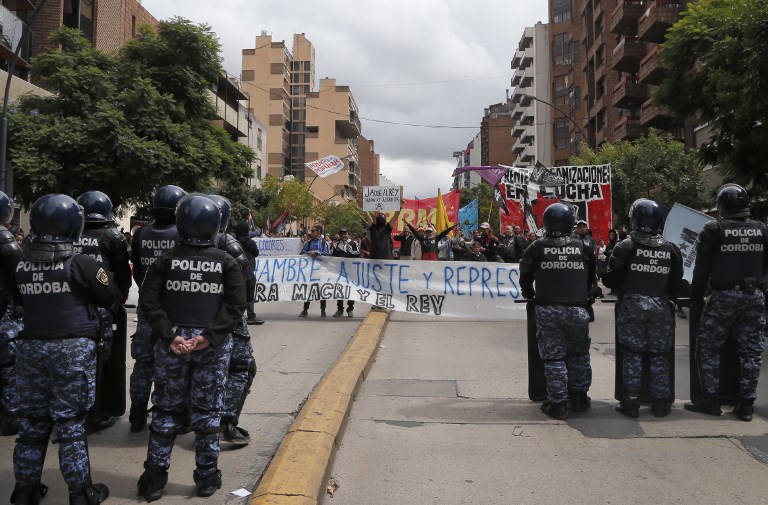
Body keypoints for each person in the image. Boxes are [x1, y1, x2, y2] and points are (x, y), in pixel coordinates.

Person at [11, 194, 119, 505]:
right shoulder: (81, 262)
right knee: (70, 424)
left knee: (33, 423)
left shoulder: (21, 263)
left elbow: (19, 301)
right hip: (71, 349)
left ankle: (24, 491)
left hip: (31, 347)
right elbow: (107, 295)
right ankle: (81, 493)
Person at [136, 195, 246, 501]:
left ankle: (154, 479)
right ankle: (207, 478)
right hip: (209, 346)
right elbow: (237, 306)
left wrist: (170, 336)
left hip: (173, 344)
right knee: (208, 413)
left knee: (166, 411)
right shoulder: (226, 262)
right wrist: (209, 337)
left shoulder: (165, 261)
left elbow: (148, 302)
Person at [685, 184, 768, 422]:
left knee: (708, 346)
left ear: (721, 206)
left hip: (723, 297)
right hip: (754, 296)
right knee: (751, 352)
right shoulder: (761, 229)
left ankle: (710, 401)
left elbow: (701, 269)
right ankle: (746, 405)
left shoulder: (714, 229)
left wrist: (696, 298)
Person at [602, 199, 683, 418]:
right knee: (659, 355)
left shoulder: (625, 246)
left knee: (632, 354)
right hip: (661, 306)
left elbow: (609, 280)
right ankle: (661, 404)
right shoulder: (671, 249)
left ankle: (630, 402)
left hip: (632, 305)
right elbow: (676, 282)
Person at [519, 203, 597, 420]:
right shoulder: (583, 246)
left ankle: (558, 403)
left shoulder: (536, 247)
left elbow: (525, 273)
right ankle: (580, 397)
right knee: (579, 355)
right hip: (578, 310)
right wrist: (585, 293)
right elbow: (592, 276)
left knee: (554, 358)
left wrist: (528, 293)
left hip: (548, 310)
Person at [129, 185, 187, 433]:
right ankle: (168, 414)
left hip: (146, 307)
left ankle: (137, 413)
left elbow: (138, 269)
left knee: (143, 362)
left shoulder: (141, 234)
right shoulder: (182, 234)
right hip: (173, 308)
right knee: (173, 362)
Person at [76, 190, 132, 432]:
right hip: (102, 307)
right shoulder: (112, 236)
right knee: (102, 360)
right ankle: (95, 413)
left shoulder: (68, 233)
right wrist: (119, 297)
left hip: (73, 306)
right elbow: (122, 272)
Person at [207, 196, 256, 445]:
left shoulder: (174, 245)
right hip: (227, 320)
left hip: (185, 321)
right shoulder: (228, 245)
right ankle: (225, 423)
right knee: (241, 367)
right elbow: (245, 283)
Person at [0, 191, 22, 436]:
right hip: (4, 310)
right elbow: (20, 274)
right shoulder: (4, 237)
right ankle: (12, 414)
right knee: (9, 363)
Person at [234, 222, 265, 326]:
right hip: (248, 271)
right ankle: (251, 315)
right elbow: (256, 253)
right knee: (250, 294)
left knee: (237, 294)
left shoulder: (233, 242)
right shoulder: (250, 242)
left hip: (235, 272)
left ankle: (238, 316)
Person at [299, 225, 331, 317]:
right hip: (310, 270)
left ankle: (323, 310)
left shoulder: (324, 243)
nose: (311, 232)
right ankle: (305, 310)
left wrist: (317, 253)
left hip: (321, 270)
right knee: (308, 290)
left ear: (318, 232)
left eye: (313, 231)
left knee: (322, 290)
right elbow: (301, 254)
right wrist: (309, 253)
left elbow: (328, 254)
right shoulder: (308, 243)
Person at [331, 228, 360, 317]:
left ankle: (350, 308)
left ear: (348, 234)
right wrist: (334, 249)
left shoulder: (353, 243)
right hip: (340, 272)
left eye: (345, 233)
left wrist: (351, 251)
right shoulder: (338, 244)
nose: (343, 235)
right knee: (340, 290)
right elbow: (333, 257)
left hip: (351, 272)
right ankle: (340, 309)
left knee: (351, 291)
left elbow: (358, 254)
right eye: (342, 234)